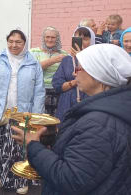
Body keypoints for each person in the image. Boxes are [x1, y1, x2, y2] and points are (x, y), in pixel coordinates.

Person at [12, 44, 131, 195]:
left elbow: (70, 180)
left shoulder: (100, 124)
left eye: (80, 68)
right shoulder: (108, 111)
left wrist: (32, 145)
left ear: (98, 74)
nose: (75, 74)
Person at [0, 29, 45, 195]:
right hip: (1, 112)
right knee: (1, 149)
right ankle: (0, 177)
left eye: (18, 42)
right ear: (7, 42)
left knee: (19, 150)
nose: (14, 45)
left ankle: (21, 180)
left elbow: (39, 91)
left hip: (23, 113)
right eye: (11, 41)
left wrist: (36, 116)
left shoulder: (33, 63)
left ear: (24, 43)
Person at [52, 26, 95, 123]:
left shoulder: (95, 59)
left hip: (88, 102)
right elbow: (57, 84)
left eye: (85, 39)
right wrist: (75, 82)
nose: (82, 42)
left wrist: (81, 57)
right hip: (66, 104)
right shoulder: (67, 60)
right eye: (78, 39)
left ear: (91, 41)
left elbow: (96, 80)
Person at [30, 27, 68, 116]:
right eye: (47, 37)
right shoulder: (33, 52)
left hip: (58, 92)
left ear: (57, 39)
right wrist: (53, 60)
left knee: (55, 120)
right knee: (39, 119)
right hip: (38, 91)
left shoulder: (64, 54)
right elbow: (32, 70)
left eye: (53, 37)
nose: (50, 40)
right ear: (43, 38)